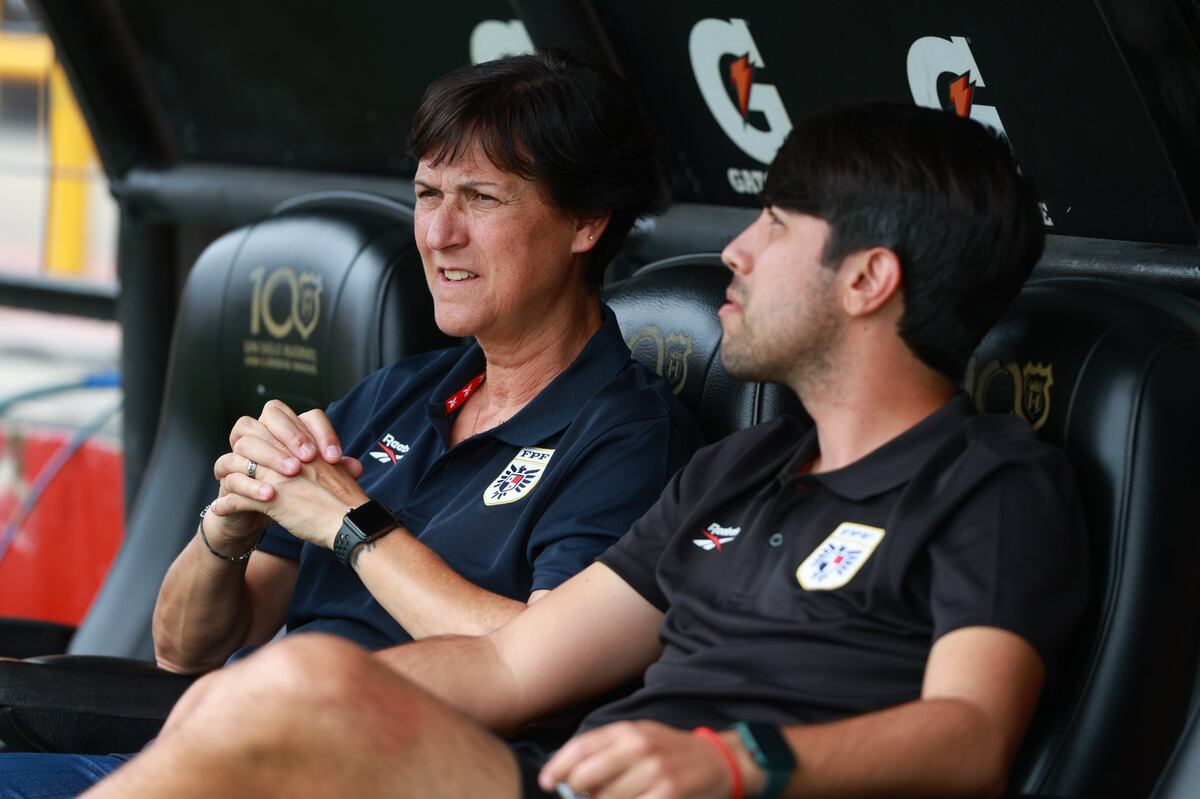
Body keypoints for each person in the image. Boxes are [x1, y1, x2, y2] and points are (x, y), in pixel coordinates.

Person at [81, 102, 1087, 799]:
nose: (735, 251)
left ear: (867, 279)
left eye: (776, 225)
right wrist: (263, 703)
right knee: (284, 689)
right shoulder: (738, 470)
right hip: (562, 784)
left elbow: (972, 736)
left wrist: (741, 763)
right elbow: (515, 661)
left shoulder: (990, 480)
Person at [0, 51, 703, 794]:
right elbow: (182, 650)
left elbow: (542, 663)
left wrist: (351, 524)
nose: (439, 233)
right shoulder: (399, 392)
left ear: (586, 222)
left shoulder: (629, 436)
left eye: (481, 198)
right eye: (428, 194)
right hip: (224, 744)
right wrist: (228, 528)